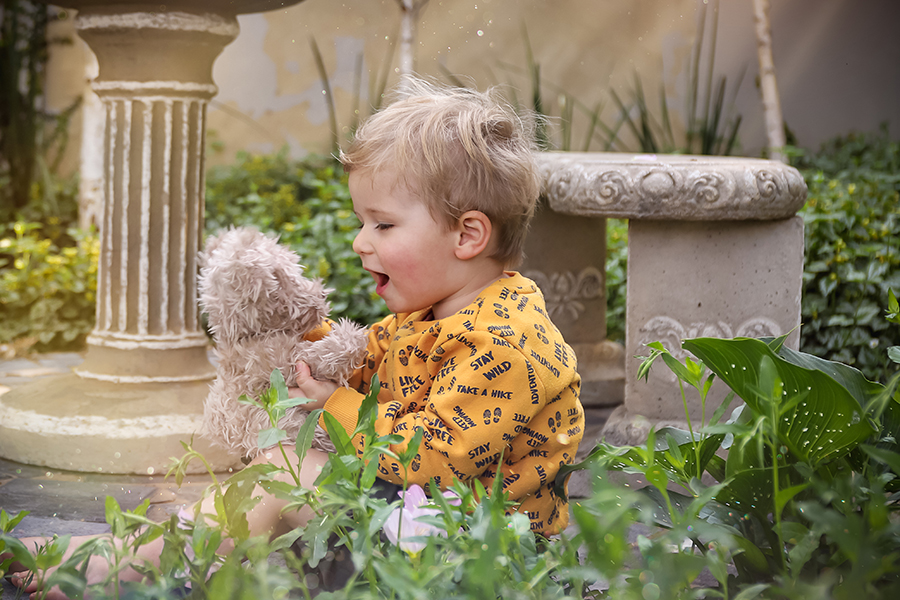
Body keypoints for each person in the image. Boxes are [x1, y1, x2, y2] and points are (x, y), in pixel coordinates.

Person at [7, 77, 584, 596]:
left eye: (382, 224)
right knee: (282, 473)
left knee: (290, 472)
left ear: (467, 235)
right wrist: (307, 339)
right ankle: (159, 556)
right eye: (363, 222)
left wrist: (334, 403)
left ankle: (129, 568)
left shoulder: (505, 344)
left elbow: (431, 455)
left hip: (475, 560)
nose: (362, 241)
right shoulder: (432, 316)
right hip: (418, 523)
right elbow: (364, 362)